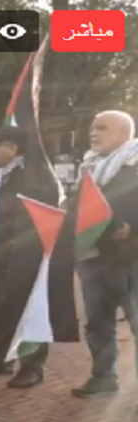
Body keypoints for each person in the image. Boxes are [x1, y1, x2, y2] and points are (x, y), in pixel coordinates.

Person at [0, 126, 59, 388]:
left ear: (13, 148)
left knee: (27, 309)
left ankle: (32, 367)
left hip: (21, 255)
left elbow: (43, 212)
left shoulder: (32, 176)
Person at [71, 110, 138, 398]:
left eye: (102, 128)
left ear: (123, 134)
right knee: (98, 323)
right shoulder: (89, 166)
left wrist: (132, 228)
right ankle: (103, 376)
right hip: (93, 257)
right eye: (92, 128)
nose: (93, 133)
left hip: (130, 259)